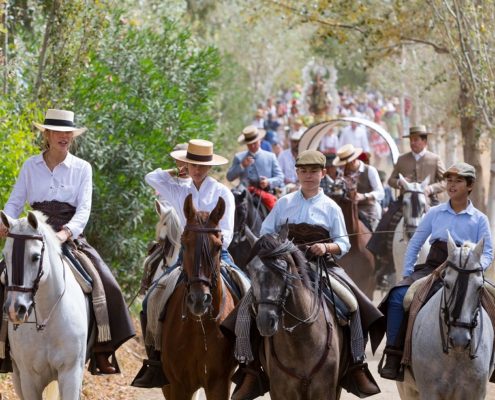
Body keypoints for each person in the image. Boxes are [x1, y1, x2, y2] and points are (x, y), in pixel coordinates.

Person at [0, 109, 135, 374]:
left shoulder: (83, 168)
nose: (65, 137)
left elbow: (84, 210)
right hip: (32, 233)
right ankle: (3, 347)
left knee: (105, 283)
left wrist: (64, 234)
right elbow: (16, 201)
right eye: (59, 132)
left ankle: (102, 350)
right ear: (47, 135)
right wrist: (5, 221)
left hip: (68, 236)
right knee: (1, 278)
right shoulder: (30, 165)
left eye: (68, 133)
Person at [242, 149, 382, 398]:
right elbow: (265, 232)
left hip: (321, 266)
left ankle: (357, 365)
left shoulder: (331, 207)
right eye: (303, 171)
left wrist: (326, 246)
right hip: (285, 267)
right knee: (247, 305)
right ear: (297, 173)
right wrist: (279, 248)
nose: (308, 176)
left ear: (323, 173)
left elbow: (344, 243)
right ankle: (250, 369)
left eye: (313, 171)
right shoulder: (284, 203)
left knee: (352, 304)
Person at [132, 139, 241, 388]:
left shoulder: (222, 192)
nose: (197, 170)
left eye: (203, 165)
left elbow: (229, 232)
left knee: (247, 291)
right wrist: (174, 171)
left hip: (217, 255)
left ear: (210, 167)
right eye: (193, 164)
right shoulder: (179, 188)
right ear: (187, 164)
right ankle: (156, 359)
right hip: (186, 257)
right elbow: (151, 177)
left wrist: (211, 249)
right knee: (152, 298)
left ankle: (249, 363)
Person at [379, 162, 493, 380]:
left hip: (469, 272)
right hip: (435, 267)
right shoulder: (434, 212)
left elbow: (487, 252)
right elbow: (415, 244)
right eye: (449, 180)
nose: (451, 185)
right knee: (397, 296)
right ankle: (394, 354)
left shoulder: (480, 219)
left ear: (469, 186)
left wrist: (476, 268)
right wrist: (407, 273)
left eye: (458, 181)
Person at [367, 125, 446, 284]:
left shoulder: (434, 159)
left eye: (416, 139)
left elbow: (445, 181)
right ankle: (383, 261)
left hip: (429, 200)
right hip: (405, 200)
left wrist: (431, 188)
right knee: (386, 221)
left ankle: (447, 261)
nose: (413, 142)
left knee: (446, 223)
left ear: (424, 141)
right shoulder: (402, 159)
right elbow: (390, 180)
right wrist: (400, 183)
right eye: (411, 139)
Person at [226, 126, 284, 212]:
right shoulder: (239, 157)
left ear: (260, 140)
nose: (252, 146)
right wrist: (241, 165)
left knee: (277, 215)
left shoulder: (270, 157)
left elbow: (280, 177)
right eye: (249, 144)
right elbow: (229, 177)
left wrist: (268, 182)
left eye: (255, 143)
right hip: (244, 195)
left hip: (265, 194)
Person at [333, 144, 385, 231]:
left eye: (344, 164)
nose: (342, 167)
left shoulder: (370, 170)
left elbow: (380, 193)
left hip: (368, 210)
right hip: (348, 211)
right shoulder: (341, 174)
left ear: (352, 161)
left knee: (373, 235)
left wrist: (364, 196)